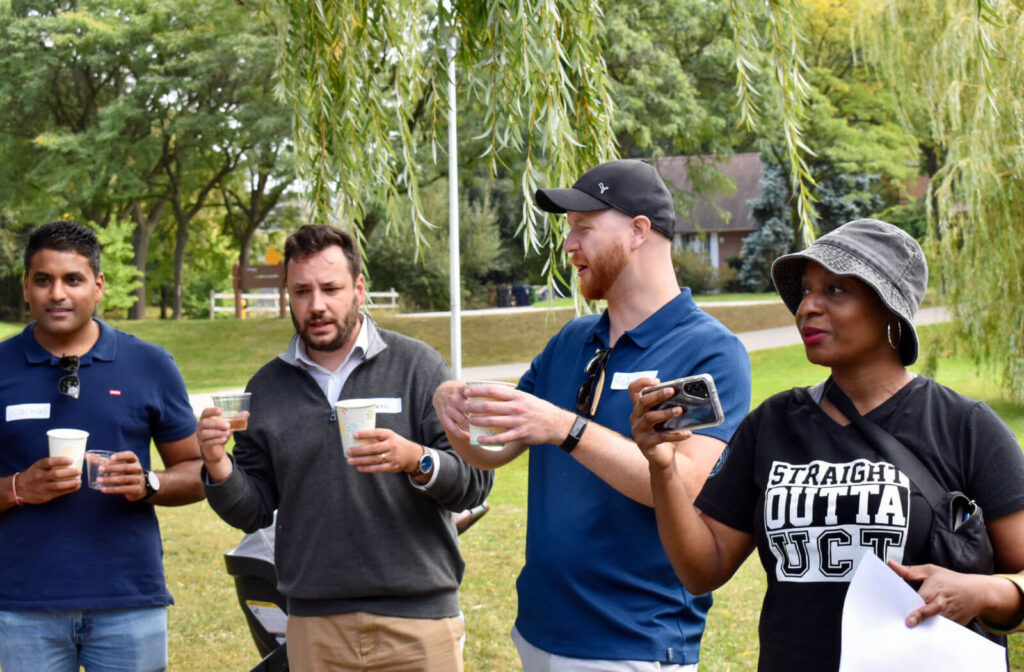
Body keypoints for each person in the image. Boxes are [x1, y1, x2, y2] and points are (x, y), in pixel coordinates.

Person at [631, 218, 1024, 670]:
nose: (806, 308)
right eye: (806, 290)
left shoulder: (964, 426)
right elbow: (702, 570)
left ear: (889, 310)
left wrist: (987, 591)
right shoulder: (773, 424)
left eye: (836, 290)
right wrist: (661, 465)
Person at [433, 159, 752, 670]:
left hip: (634, 642)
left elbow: (684, 486)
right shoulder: (570, 341)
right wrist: (453, 409)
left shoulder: (711, 351)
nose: (568, 245)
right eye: (568, 231)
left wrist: (564, 426)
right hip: (539, 631)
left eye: (584, 229)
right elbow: (493, 450)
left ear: (638, 231)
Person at [199, 224, 493, 672]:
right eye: (302, 291)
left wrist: (416, 460)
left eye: (330, 288)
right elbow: (253, 511)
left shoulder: (418, 366)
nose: (316, 305)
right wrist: (218, 465)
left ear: (358, 289)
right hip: (314, 624)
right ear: (288, 296)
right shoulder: (267, 387)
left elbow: (474, 481)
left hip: (419, 621)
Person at [0, 220, 204, 672]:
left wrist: (148, 481)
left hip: (129, 600)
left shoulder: (150, 364)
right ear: (27, 288)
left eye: (72, 279)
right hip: (22, 605)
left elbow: (196, 472)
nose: (58, 293)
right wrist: (17, 487)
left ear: (98, 286)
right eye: (43, 280)